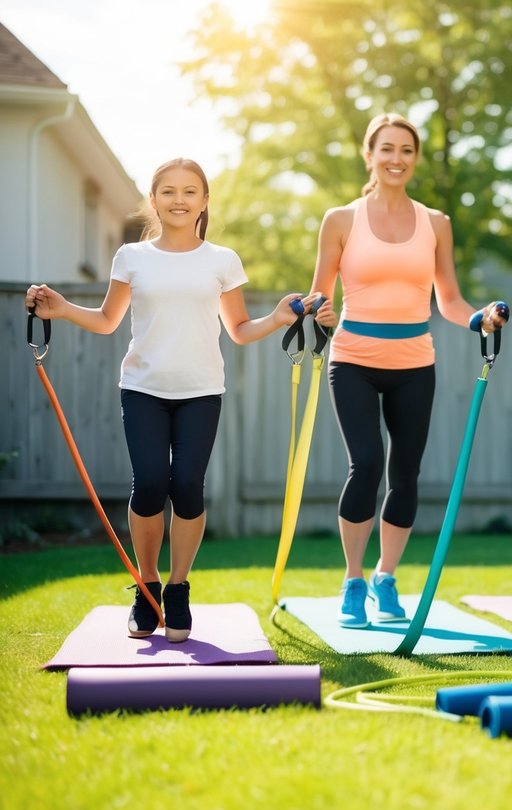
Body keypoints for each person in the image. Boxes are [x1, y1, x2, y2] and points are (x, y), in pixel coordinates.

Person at [25, 158, 314, 643]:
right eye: (168, 191)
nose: (179, 200)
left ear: (204, 200)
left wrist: (279, 319)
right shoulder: (131, 257)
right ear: (153, 199)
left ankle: (177, 588)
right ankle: (147, 585)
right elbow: (107, 320)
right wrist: (62, 308)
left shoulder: (222, 260)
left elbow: (239, 331)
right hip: (143, 389)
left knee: (188, 487)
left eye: (190, 191)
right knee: (151, 483)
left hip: (201, 392)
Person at [308, 113, 508, 629]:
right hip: (353, 359)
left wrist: (478, 318)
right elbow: (320, 293)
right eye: (387, 149)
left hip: (415, 363)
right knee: (367, 464)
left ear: (414, 158)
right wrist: (319, 311)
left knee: (406, 474)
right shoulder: (341, 220)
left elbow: (451, 299)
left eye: (406, 150)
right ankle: (353, 580)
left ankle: (386, 576)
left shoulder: (436, 223)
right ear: (369, 155)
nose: (397, 158)